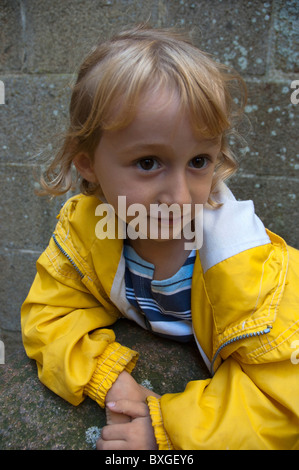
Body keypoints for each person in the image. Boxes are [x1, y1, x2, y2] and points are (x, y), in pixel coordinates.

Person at [21, 24, 299, 450]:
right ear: (88, 164)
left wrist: (167, 428)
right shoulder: (87, 227)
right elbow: (49, 314)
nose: (180, 196)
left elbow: (284, 398)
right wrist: (110, 380)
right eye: (149, 162)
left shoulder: (247, 264)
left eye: (199, 161)